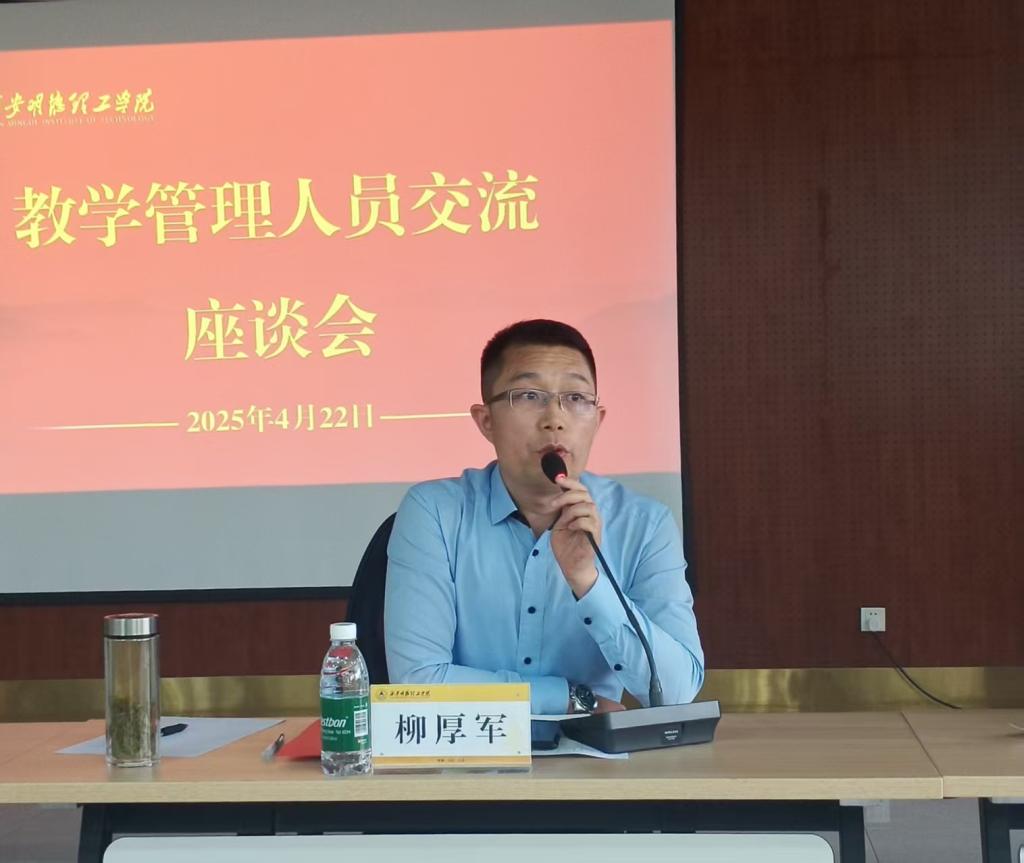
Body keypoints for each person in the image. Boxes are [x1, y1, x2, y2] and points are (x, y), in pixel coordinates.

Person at [384, 319, 703, 715]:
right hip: (468, 749)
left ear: (597, 419)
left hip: (593, 755)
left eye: (576, 397)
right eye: (529, 396)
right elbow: (418, 682)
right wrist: (571, 699)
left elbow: (675, 693)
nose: (555, 418)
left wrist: (588, 581)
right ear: (486, 421)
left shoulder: (645, 525)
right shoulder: (436, 512)